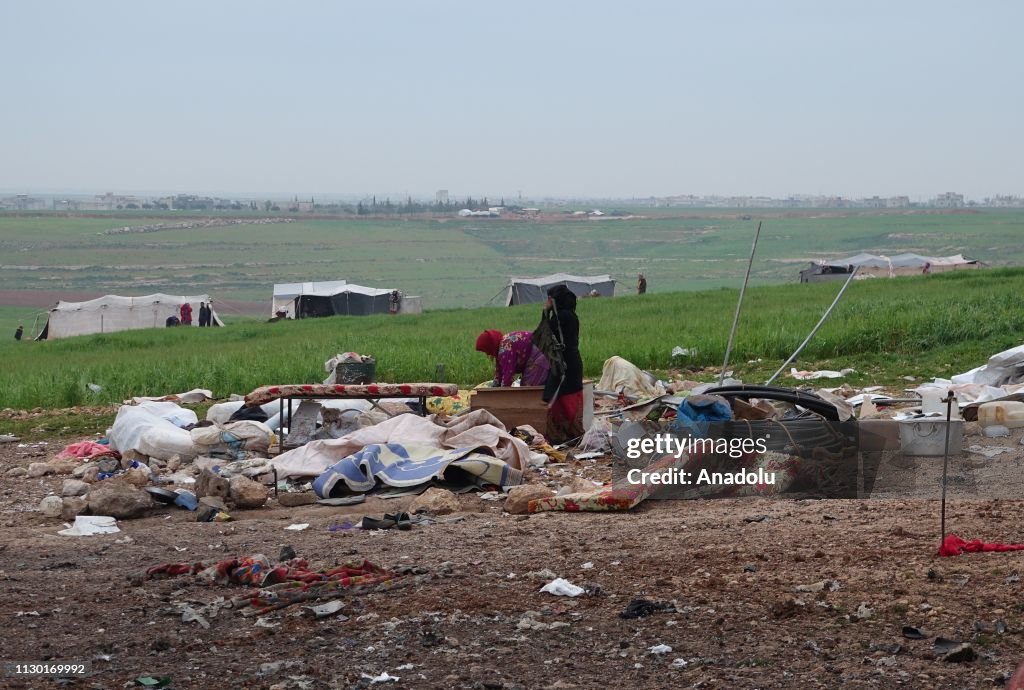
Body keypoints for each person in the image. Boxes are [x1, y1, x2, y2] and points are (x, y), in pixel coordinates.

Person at [540, 285, 584, 444]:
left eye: (550, 298)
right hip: (572, 361)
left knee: (560, 398)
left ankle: (562, 436)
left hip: (562, 364)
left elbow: (545, 333)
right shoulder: (571, 315)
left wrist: (546, 312)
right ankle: (573, 435)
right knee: (569, 397)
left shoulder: (560, 318)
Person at [475, 329, 550, 387]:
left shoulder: (505, 349)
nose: (487, 353)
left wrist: (500, 395)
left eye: (485, 350)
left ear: (489, 346)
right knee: (525, 388)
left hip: (540, 354)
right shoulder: (501, 347)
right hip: (538, 352)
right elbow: (499, 373)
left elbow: (508, 376)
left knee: (528, 389)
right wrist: (493, 388)